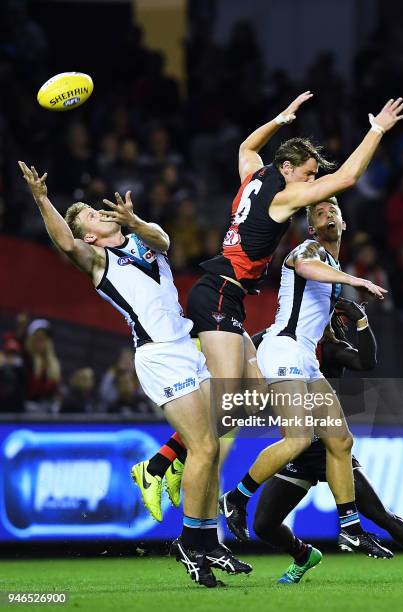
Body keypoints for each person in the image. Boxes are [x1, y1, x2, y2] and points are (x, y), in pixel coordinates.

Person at [135, 93, 403, 521]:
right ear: (286, 169)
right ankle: (156, 468)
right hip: (219, 293)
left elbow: (246, 148)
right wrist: (376, 131)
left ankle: (167, 461)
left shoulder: (254, 175)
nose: (309, 181)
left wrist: (279, 119)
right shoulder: (281, 198)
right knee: (227, 402)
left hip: (229, 297)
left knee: (244, 404)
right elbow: (350, 177)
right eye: (307, 174)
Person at [18, 161, 250, 588]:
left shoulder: (144, 237)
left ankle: (199, 530)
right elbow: (66, 244)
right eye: (91, 215)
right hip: (159, 356)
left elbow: (163, 238)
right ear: (90, 234)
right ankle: (192, 542)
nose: (99, 214)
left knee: (214, 444)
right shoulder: (98, 260)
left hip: (187, 345)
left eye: (96, 210)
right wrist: (41, 198)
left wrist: (135, 220)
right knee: (201, 447)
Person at [220, 198, 391, 559]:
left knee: (340, 441)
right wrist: (354, 280)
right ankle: (235, 498)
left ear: (343, 223)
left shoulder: (332, 263)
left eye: (333, 210)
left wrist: (333, 328)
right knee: (297, 439)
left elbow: (315, 313)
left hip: (304, 358)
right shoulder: (309, 249)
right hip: (283, 350)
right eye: (319, 212)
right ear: (311, 227)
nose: (327, 213)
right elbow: (304, 266)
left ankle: (350, 528)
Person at [252, 303, 403, 584]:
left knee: (379, 514)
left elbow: (366, 362)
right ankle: (303, 556)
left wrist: (362, 321)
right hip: (298, 449)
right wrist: (273, 331)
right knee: (264, 525)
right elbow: (251, 345)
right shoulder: (284, 345)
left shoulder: (329, 349)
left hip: (328, 449)